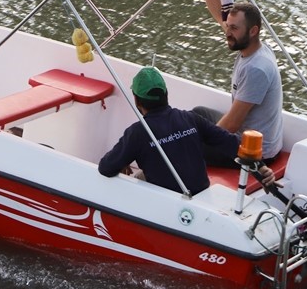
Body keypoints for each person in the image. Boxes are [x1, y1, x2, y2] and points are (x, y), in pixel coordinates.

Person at [186, 0, 284, 164]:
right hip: (242, 134)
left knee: (182, 147)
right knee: (196, 115)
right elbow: (216, 11)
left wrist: (192, 141)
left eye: (233, 28)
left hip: (254, 152)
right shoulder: (251, 45)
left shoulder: (256, 68)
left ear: (253, 30)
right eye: (227, 27)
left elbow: (230, 124)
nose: (227, 32)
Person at [98, 67, 242, 194]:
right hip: (202, 193)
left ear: (137, 101)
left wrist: (124, 159)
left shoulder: (137, 133)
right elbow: (231, 142)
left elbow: (105, 168)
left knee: (136, 179)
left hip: (167, 203)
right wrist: (261, 169)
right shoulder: (191, 119)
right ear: (166, 94)